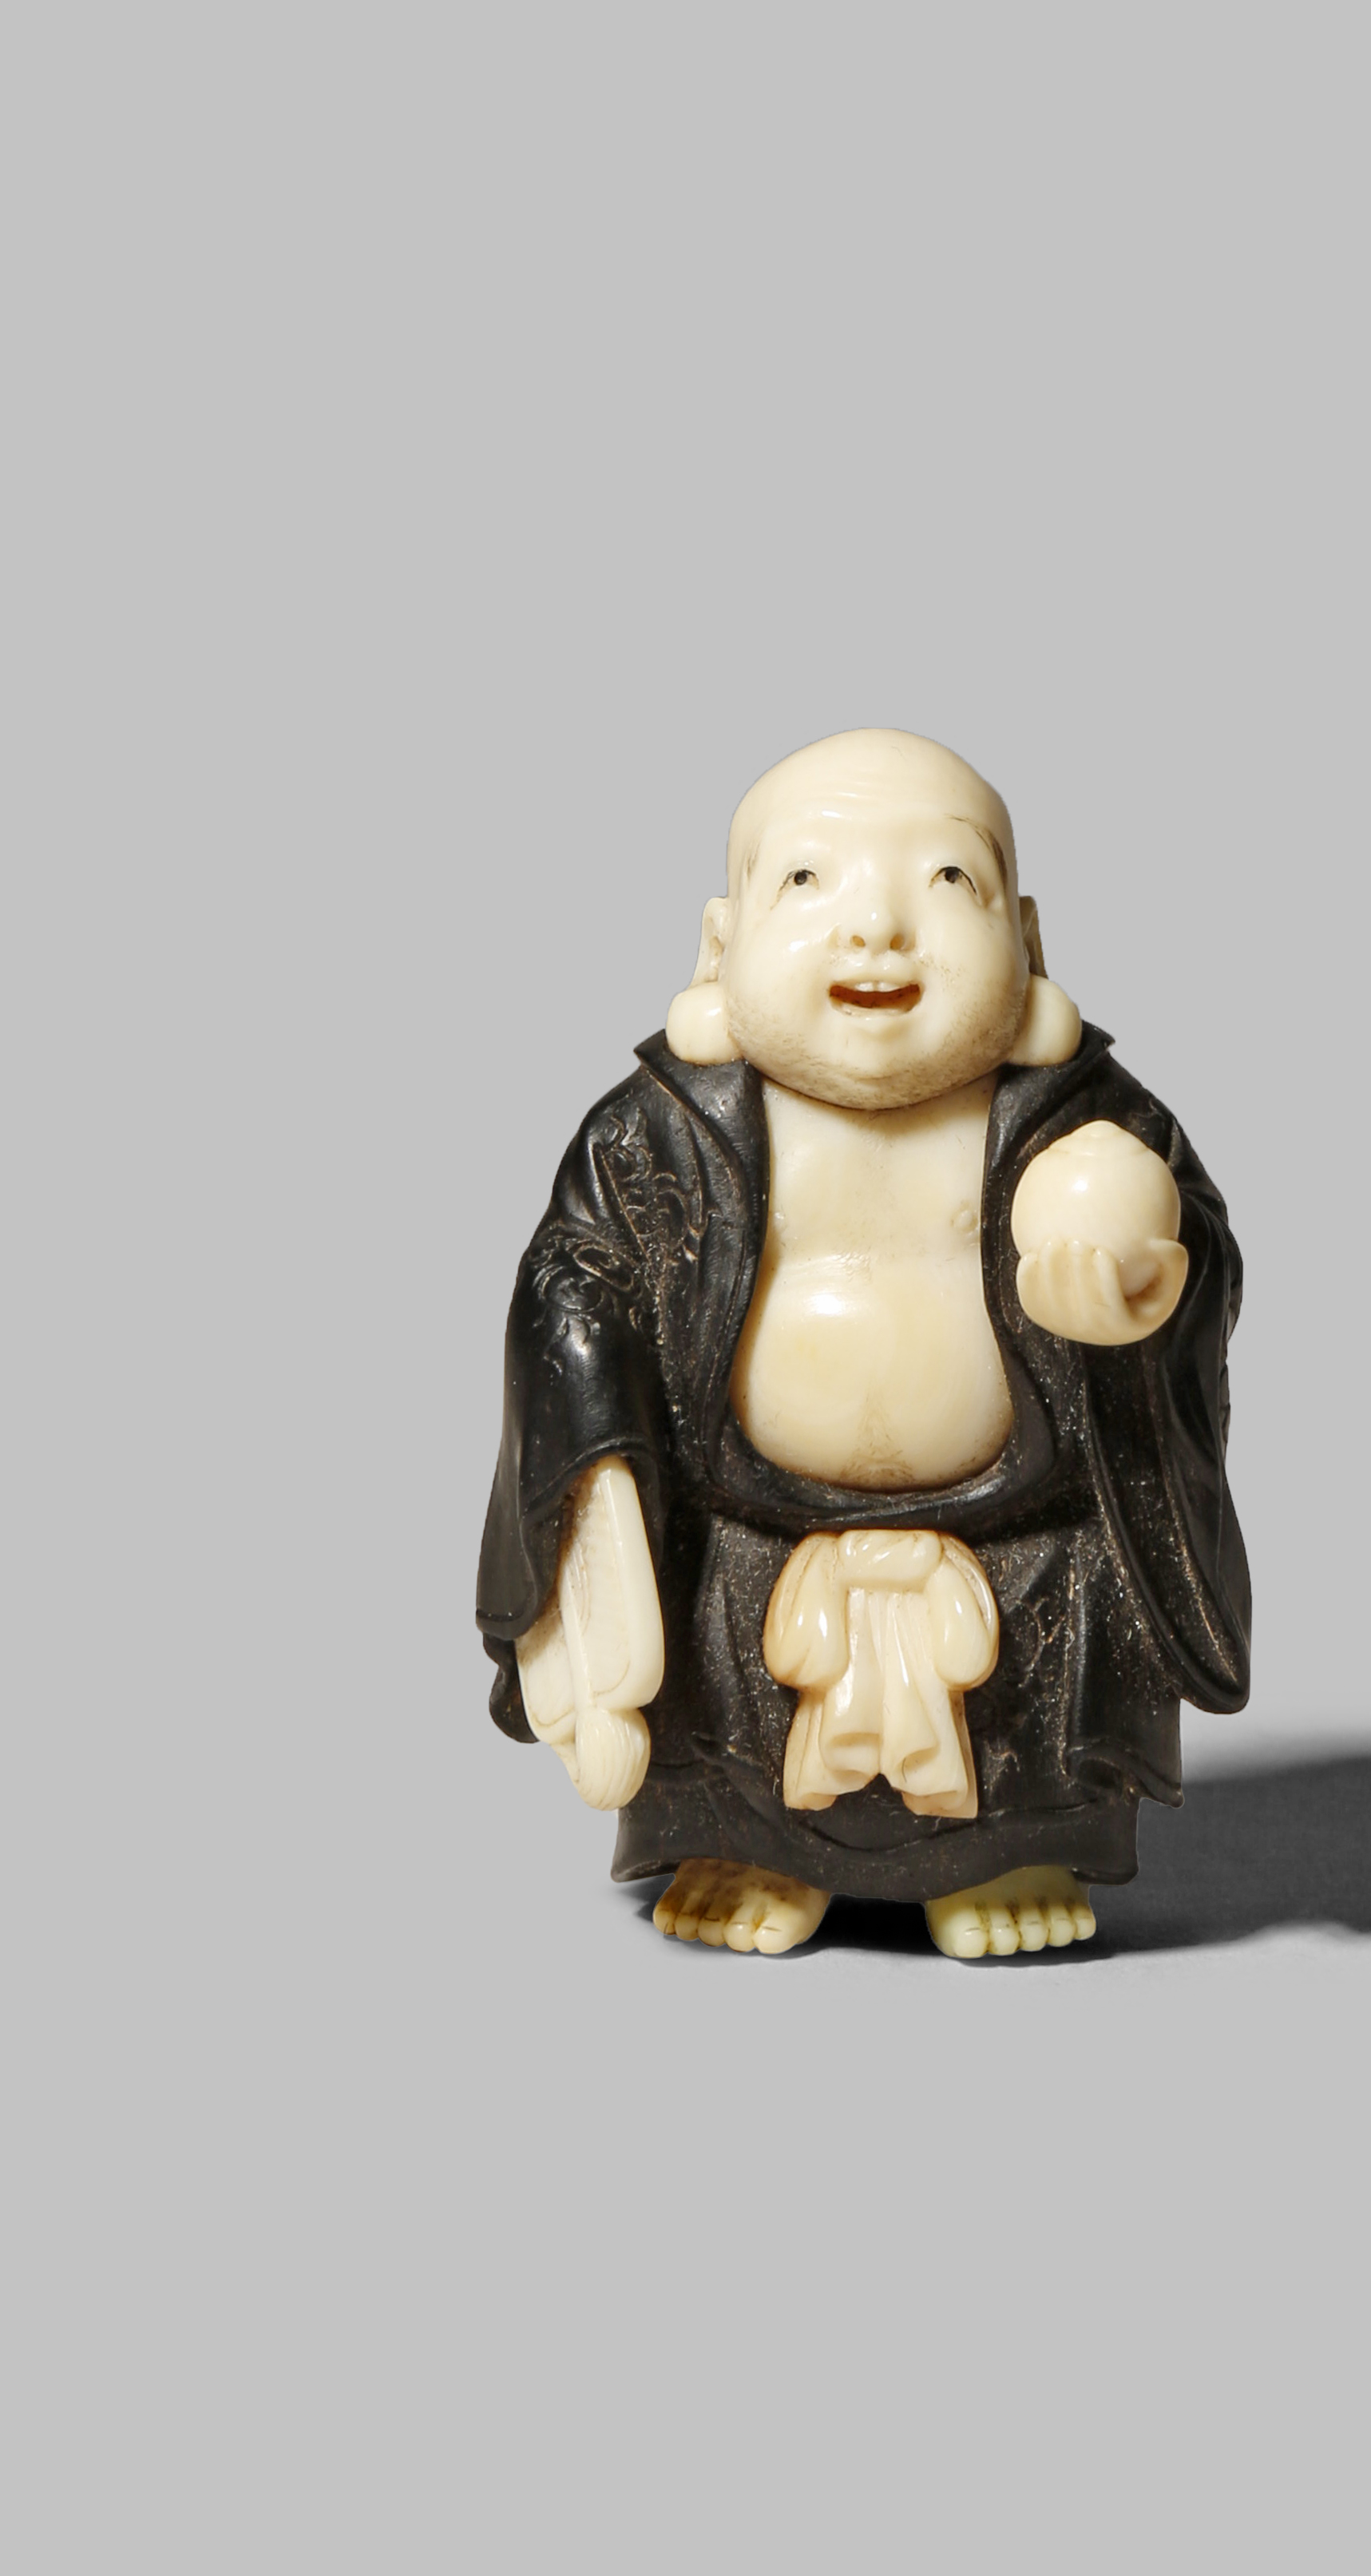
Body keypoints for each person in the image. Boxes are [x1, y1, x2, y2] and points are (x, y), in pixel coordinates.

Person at [476, 729, 1250, 1956]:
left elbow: (1197, 1265)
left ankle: (1008, 1848)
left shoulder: (1083, 1120)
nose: (879, 927)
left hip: (1018, 1536)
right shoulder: (662, 1130)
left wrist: (1145, 1286)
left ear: (1028, 943)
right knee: (713, 1634)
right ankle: (749, 1842)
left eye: (947, 879)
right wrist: (594, 1451)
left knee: (1055, 1628)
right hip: (750, 1531)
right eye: (807, 880)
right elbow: (578, 1276)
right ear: (720, 949)